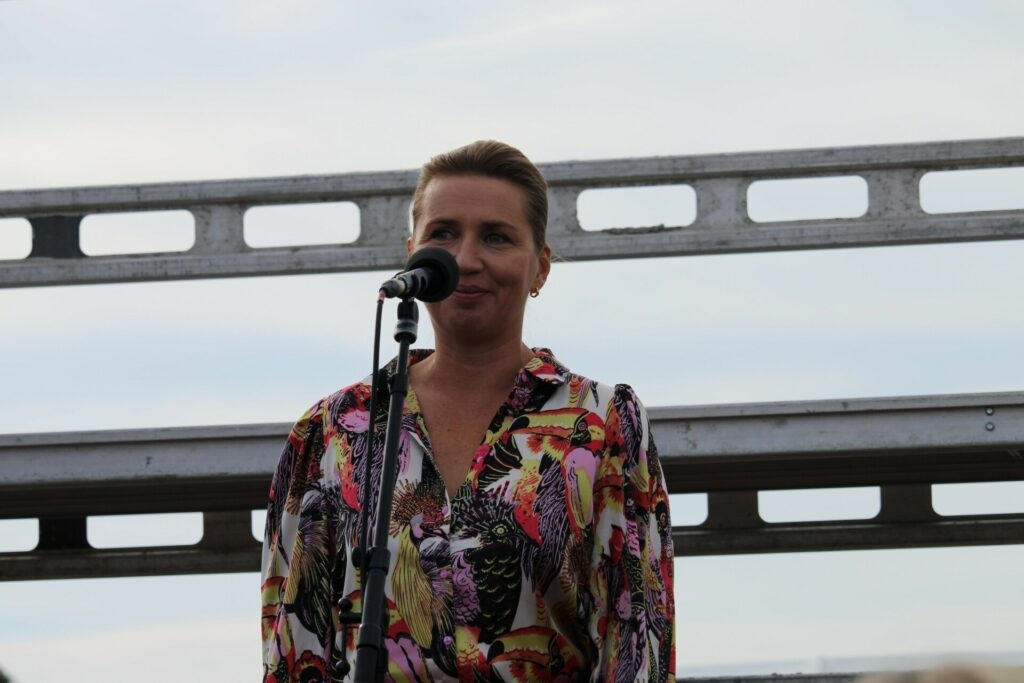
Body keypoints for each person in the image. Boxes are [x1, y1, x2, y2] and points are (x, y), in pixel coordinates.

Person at [261, 140, 675, 682]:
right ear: (413, 253)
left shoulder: (601, 422)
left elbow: (637, 637)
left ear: (540, 268)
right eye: (443, 234)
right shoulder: (333, 429)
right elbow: (294, 647)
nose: (465, 259)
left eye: (496, 237)